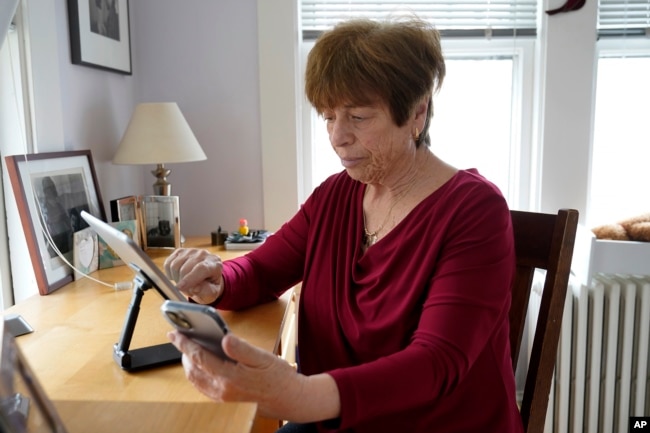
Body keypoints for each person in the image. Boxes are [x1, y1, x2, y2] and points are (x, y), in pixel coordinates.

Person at [164, 16, 523, 433]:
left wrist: (298, 395)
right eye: (329, 115)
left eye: (358, 117)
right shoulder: (335, 196)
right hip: (334, 418)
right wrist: (218, 280)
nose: (337, 136)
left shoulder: (475, 210)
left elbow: (436, 362)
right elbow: (261, 269)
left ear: (417, 113)